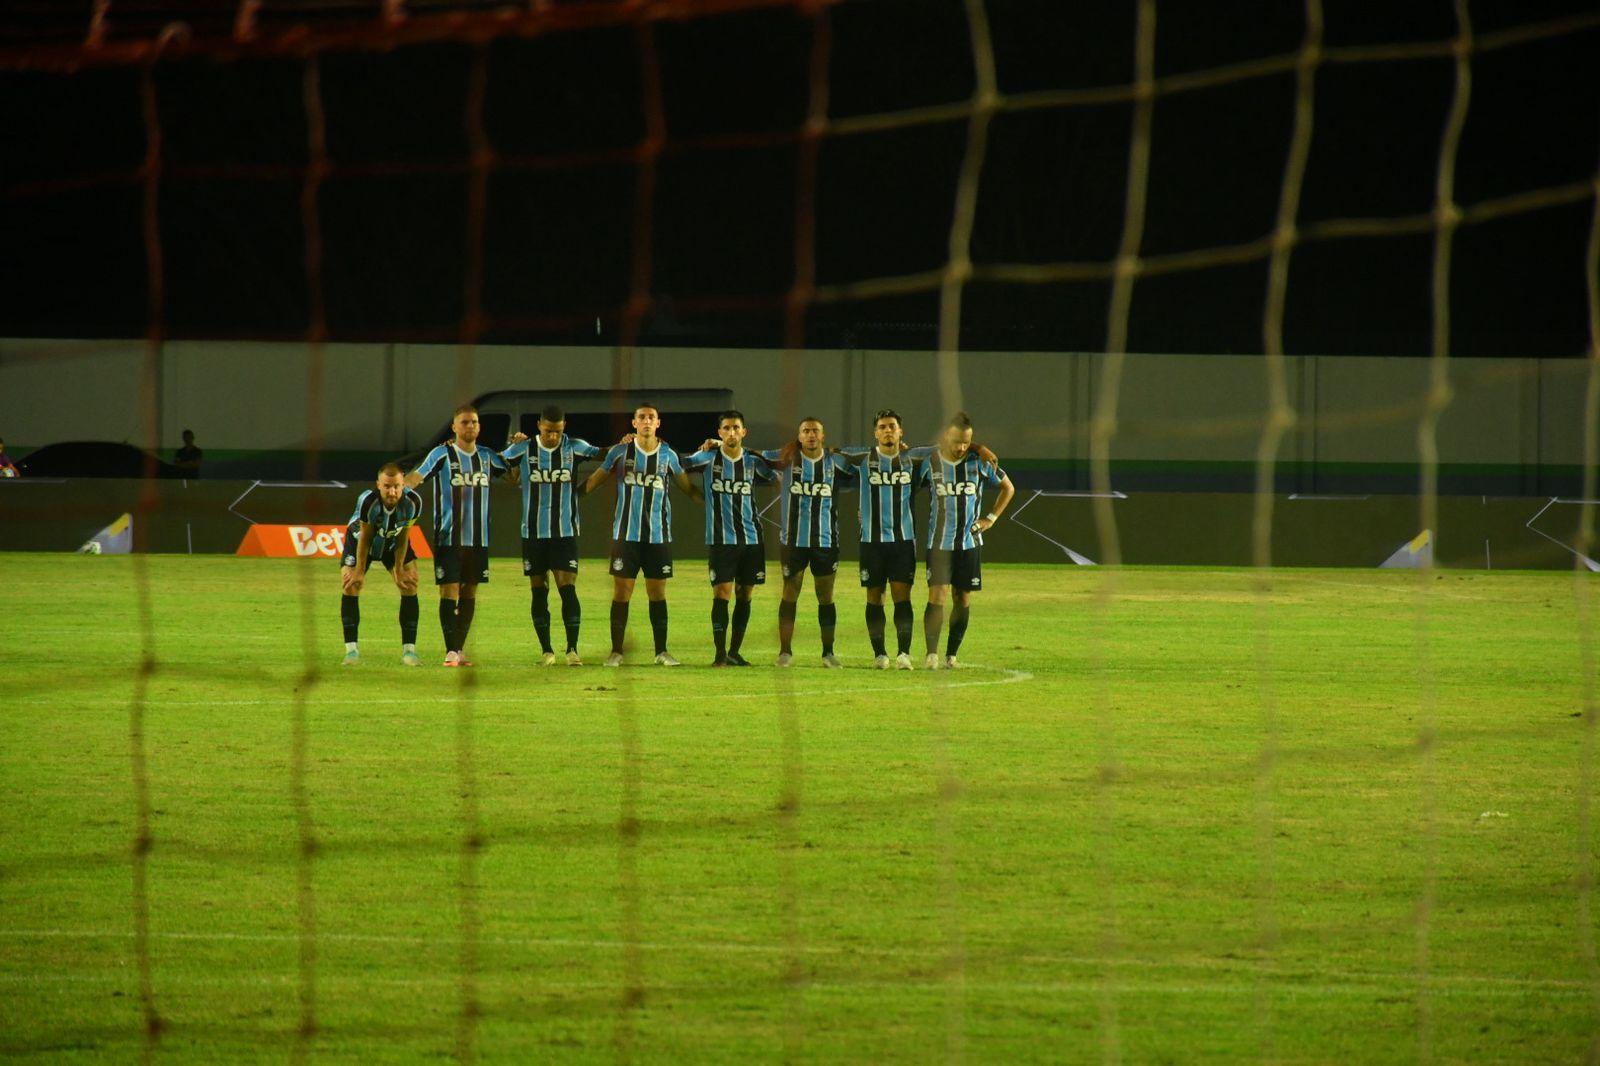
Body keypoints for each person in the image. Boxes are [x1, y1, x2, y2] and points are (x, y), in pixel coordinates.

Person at [839, 411, 1000, 670]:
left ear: (901, 432)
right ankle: (880, 654)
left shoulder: (914, 457)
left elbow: (954, 443)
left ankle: (903, 654)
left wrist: (979, 448)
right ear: (875, 432)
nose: (888, 430)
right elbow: (826, 453)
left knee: (902, 597)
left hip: (903, 540)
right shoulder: (861, 458)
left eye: (892, 426)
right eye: (883, 427)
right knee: (874, 597)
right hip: (871, 540)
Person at [579, 403, 698, 667]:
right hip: (626, 536)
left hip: (658, 536)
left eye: (651, 417)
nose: (646, 421)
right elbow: (594, 481)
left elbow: (688, 488)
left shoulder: (668, 455)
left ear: (658, 423)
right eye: (641, 417)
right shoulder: (620, 452)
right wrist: (568, 497)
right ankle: (616, 652)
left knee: (658, 594)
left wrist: (713, 504)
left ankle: (661, 652)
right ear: (634, 423)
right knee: (622, 593)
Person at [405, 404, 511, 667]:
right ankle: (451, 651)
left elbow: (513, 476)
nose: (470, 426)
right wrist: (394, 489)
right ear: (454, 427)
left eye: (474, 422)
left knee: (470, 592)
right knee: (449, 590)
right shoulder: (441, 454)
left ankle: (459, 649)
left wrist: (517, 447)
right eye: (464, 422)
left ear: (479, 426)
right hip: (448, 538)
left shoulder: (488, 456)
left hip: (478, 539)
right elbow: (417, 477)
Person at [501, 405, 605, 665]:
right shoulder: (524, 448)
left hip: (564, 532)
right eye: (548, 431)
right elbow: (504, 472)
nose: (553, 436)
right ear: (539, 426)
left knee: (567, 589)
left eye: (557, 431)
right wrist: (510, 448)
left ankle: (572, 650)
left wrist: (629, 443)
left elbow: (607, 455)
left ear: (564, 427)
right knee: (539, 592)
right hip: (533, 533)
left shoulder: (574, 447)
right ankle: (547, 651)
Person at [916, 411, 1015, 669]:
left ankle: (951, 656)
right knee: (937, 596)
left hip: (969, 544)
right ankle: (931, 654)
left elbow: (1008, 488)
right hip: (939, 544)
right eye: (956, 441)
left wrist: (990, 519)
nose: (961, 448)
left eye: (966, 442)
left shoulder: (980, 463)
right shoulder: (930, 462)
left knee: (962, 598)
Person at [760, 417, 857, 668]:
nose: (811, 435)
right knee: (790, 592)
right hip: (793, 542)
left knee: (825, 596)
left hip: (825, 541)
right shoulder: (786, 459)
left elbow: (865, 465)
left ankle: (828, 653)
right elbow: (753, 455)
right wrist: (718, 445)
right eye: (806, 431)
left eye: (815, 431)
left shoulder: (836, 462)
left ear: (823, 436)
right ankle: (785, 652)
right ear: (799, 436)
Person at [683, 410, 776, 666]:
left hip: (751, 539)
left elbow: (779, 475)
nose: (731, 432)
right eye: (726, 428)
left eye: (736, 428)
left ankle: (735, 652)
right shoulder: (707, 458)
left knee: (745, 595)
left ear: (744, 432)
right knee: (722, 593)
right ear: (719, 432)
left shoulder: (753, 462)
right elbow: (676, 466)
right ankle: (719, 654)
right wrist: (693, 494)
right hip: (721, 539)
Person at [339, 463, 426, 666]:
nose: (392, 491)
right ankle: (351, 652)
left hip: (393, 539)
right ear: (378, 485)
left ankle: (409, 652)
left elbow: (404, 536)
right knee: (351, 584)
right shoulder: (368, 501)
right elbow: (366, 537)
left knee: (409, 584)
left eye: (396, 486)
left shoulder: (413, 502)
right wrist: (359, 571)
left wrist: (399, 569)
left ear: (403, 484)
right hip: (360, 539)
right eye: (387, 486)